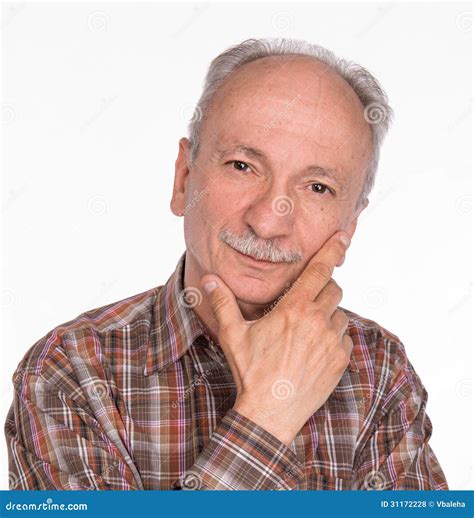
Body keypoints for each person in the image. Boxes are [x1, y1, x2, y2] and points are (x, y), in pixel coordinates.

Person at [5, 37, 448, 490]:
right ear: (184, 179)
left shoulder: (379, 371)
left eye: (317, 188)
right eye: (242, 166)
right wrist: (269, 416)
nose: (268, 222)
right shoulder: (69, 371)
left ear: (350, 224)